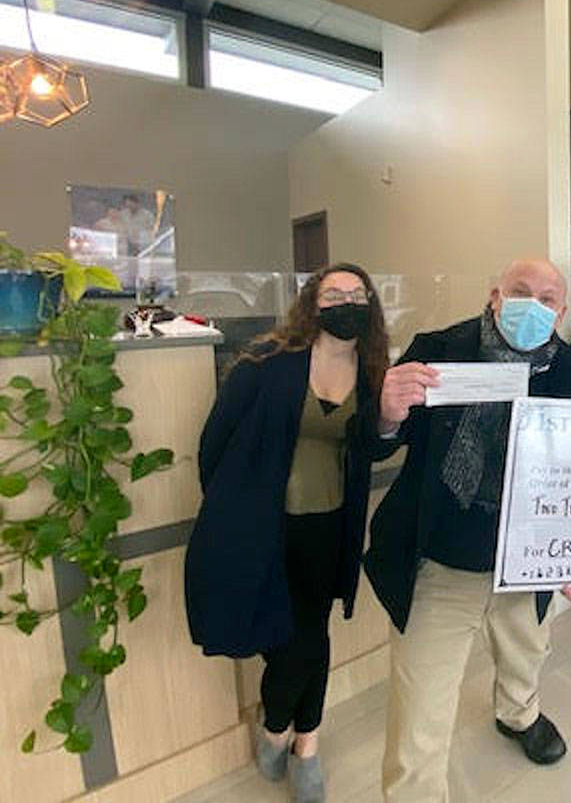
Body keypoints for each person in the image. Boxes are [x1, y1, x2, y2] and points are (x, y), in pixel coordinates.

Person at [363, 258, 571, 803]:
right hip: (440, 560)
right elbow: (378, 444)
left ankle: (518, 716)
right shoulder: (438, 349)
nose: (533, 306)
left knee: (526, 652)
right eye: (520, 292)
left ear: (561, 311)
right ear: (495, 297)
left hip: (525, 557)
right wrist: (386, 414)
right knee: (419, 713)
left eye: (547, 298)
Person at [185, 264, 390, 803]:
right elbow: (214, 444)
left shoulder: (374, 371)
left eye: (356, 292)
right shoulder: (267, 361)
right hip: (264, 528)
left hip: (330, 527)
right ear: (312, 302)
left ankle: (300, 741)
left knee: (310, 635)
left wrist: (392, 422)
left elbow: (376, 446)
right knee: (286, 639)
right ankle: (285, 730)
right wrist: (234, 510)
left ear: (370, 302)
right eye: (333, 292)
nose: (346, 300)